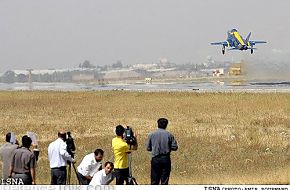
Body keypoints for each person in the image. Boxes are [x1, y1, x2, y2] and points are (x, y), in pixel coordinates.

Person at [146, 118, 178, 185]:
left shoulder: (151, 135)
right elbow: (175, 147)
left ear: (157, 124)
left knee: (154, 180)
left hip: (155, 158)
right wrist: (167, 147)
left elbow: (148, 148)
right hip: (165, 159)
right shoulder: (169, 135)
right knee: (164, 181)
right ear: (166, 125)